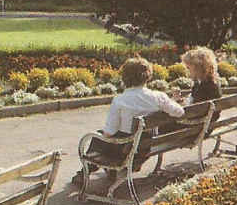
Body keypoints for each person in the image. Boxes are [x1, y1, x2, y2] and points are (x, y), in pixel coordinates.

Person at [75, 57, 184, 186]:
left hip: (125, 149)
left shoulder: (120, 100)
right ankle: (106, 171)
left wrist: (102, 138)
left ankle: (86, 171)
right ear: (147, 76)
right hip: (147, 146)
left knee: (98, 136)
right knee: (107, 138)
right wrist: (170, 103)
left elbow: (110, 132)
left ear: (125, 78)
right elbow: (180, 112)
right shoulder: (158, 97)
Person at [179, 46, 221, 127]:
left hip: (197, 126)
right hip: (206, 124)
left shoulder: (205, 86)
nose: (187, 70)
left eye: (189, 67)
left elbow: (192, 111)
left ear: (198, 68)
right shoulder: (209, 82)